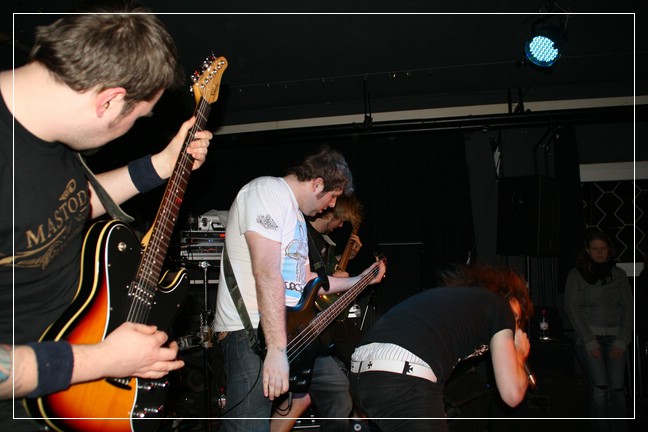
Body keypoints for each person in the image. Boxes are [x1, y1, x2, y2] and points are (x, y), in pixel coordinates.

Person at [0, 3, 213, 430]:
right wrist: (105, 359)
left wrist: (159, 166)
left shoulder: (45, 132)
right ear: (110, 100)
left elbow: (64, 207)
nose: (133, 126)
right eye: (137, 117)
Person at [213, 145, 386, 432]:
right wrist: (276, 350)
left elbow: (308, 282)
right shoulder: (266, 191)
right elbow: (266, 271)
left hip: (292, 332)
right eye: (332, 196)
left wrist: (362, 279)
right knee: (248, 426)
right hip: (252, 332)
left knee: (335, 390)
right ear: (317, 183)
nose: (331, 205)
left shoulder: (296, 217)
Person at [349, 262, 533, 432]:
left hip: (361, 373)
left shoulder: (457, 304)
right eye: (516, 319)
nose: (515, 327)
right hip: (404, 374)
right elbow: (512, 395)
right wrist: (519, 354)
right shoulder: (501, 306)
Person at [271, 194, 364, 432]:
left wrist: (346, 260)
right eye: (341, 220)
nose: (340, 226)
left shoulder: (322, 242)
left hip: (314, 329)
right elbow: (301, 280)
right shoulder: (303, 234)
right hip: (298, 328)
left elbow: (326, 275)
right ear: (330, 212)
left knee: (336, 389)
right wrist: (338, 279)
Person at [564, 230, 633, 431]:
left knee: (617, 389)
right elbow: (571, 307)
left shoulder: (618, 274)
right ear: (587, 250)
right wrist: (589, 339)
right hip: (590, 338)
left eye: (603, 248)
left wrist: (623, 338)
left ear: (609, 250)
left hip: (616, 337)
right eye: (595, 248)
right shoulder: (576, 275)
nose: (600, 252)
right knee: (600, 387)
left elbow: (629, 307)